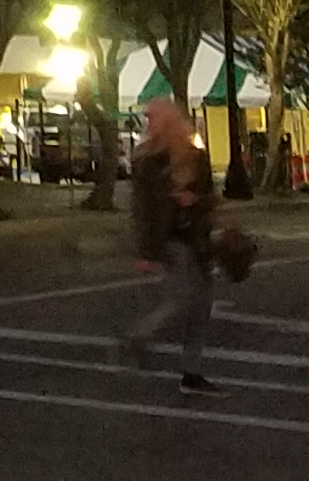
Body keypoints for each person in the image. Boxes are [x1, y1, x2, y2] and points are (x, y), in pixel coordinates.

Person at [117, 95, 223, 398]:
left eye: (154, 116)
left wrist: (195, 200)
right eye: (148, 117)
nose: (150, 122)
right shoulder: (147, 160)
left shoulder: (193, 156)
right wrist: (146, 251)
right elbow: (143, 209)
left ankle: (191, 371)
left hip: (197, 238)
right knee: (184, 298)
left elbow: (210, 196)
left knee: (200, 305)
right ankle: (140, 336)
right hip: (172, 239)